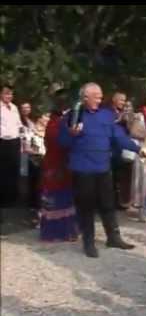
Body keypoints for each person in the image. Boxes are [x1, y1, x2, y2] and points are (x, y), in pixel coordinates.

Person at [58, 82, 143, 258]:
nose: (100, 99)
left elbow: (118, 136)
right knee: (86, 206)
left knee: (108, 204)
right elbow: (62, 142)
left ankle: (113, 237)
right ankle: (88, 242)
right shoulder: (72, 116)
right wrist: (71, 134)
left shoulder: (106, 115)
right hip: (83, 168)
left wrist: (138, 149)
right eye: (96, 96)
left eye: (100, 96)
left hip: (103, 166)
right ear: (85, 98)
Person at [39, 88, 79, 242]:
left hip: (64, 163)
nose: (64, 104)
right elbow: (56, 141)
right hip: (54, 163)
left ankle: (66, 230)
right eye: (61, 101)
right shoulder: (54, 122)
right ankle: (52, 231)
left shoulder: (66, 120)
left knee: (66, 196)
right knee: (54, 197)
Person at [105, 90, 135, 210]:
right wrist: (119, 119)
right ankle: (108, 203)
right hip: (110, 149)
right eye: (121, 100)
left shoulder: (123, 113)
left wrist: (128, 121)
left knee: (120, 177)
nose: (123, 103)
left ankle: (120, 201)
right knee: (109, 178)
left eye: (124, 100)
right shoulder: (107, 112)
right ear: (114, 100)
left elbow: (129, 131)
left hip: (121, 148)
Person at [18, 102, 45, 221]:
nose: (26, 109)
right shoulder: (19, 122)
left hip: (35, 154)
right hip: (25, 153)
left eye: (28, 107)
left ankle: (35, 205)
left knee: (35, 181)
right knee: (26, 179)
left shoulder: (32, 121)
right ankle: (28, 206)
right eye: (23, 108)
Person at [0, 84, 22, 209]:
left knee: (14, 169)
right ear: (1, 94)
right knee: (3, 171)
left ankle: (13, 198)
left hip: (15, 141)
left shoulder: (14, 107)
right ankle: (3, 199)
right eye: (6, 93)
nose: (9, 96)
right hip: (3, 142)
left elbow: (18, 124)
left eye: (10, 94)